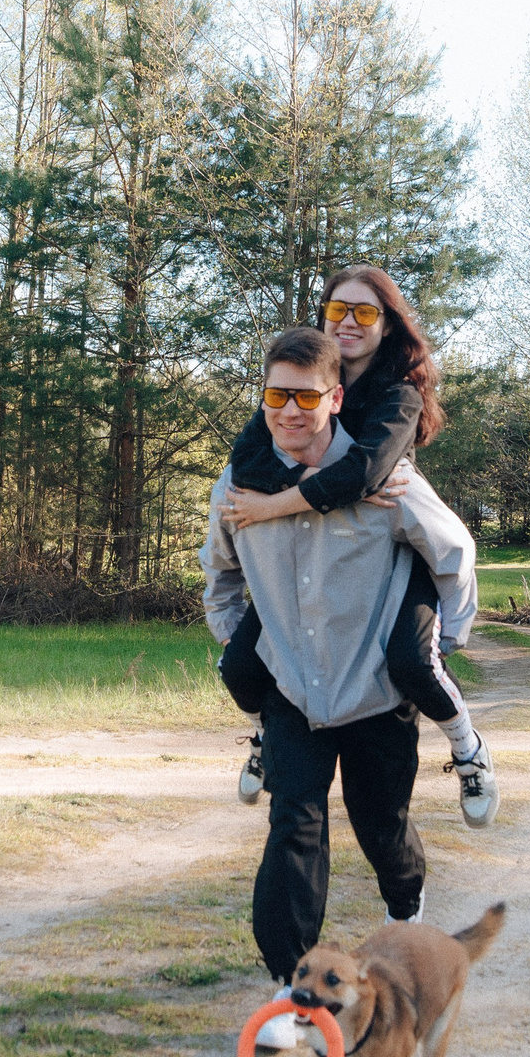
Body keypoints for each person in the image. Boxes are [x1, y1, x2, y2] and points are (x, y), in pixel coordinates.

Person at [201, 326, 480, 1049]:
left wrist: (441, 642)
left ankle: (408, 913)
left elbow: (453, 552)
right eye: (274, 395)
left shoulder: (382, 479)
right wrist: (244, 645)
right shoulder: (237, 485)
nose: (288, 411)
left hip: (376, 693)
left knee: (379, 822)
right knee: (294, 822)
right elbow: (221, 577)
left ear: (335, 397)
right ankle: (295, 992)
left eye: (304, 396)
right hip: (293, 691)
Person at [218, 266, 498, 826]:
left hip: (397, 548)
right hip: (329, 543)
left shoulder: (398, 394)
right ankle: (265, 735)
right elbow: (248, 460)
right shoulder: (300, 381)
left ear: (387, 324)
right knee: (243, 665)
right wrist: (331, 487)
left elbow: (368, 472)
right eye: (337, 309)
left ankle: (468, 750)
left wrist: (275, 505)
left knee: (413, 663)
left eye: (364, 311)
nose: (348, 322)